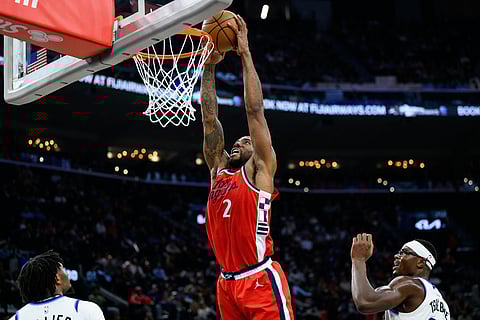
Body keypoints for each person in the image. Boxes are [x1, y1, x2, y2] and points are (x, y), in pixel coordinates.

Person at [200, 14, 294, 320]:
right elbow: (209, 117)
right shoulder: (218, 169)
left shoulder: (259, 169)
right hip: (226, 284)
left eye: (247, 141)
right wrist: (209, 66)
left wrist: (245, 53)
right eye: (237, 141)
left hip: (259, 278)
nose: (240, 142)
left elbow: (255, 111)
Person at [350, 233, 450, 320]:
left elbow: (365, 302)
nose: (396, 256)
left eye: (404, 252)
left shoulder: (409, 284)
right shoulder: (443, 305)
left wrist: (358, 259)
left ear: (420, 262)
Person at [11, 250, 105, 320]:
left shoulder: (17, 317)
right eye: (63, 269)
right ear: (57, 279)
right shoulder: (86, 310)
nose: (67, 274)